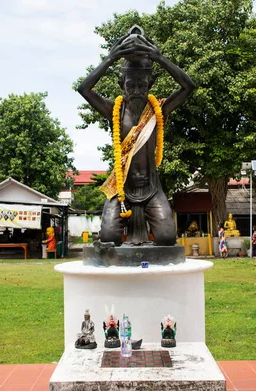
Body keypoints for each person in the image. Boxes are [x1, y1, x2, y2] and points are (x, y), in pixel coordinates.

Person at [77, 26, 195, 246]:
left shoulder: (159, 109)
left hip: (152, 188)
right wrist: (110, 58)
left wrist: (159, 58)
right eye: (131, 85)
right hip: (121, 187)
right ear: (122, 85)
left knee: (167, 237)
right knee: (109, 237)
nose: (137, 91)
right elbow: (84, 89)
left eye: (142, 85)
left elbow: (188, 87)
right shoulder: (114, 109)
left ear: (150, 84)